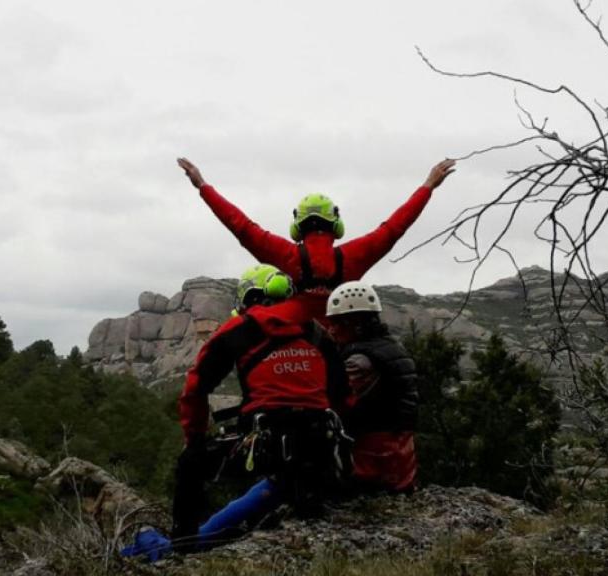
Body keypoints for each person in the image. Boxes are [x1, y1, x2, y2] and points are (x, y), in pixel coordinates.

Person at [171, 263, 350, 550]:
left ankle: (181, 545)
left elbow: (195, 389)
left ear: (248, 297)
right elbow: (342, 392)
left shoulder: (236, 329)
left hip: (265, 445)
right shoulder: (314, 329)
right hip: (321, 445)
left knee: (190, 465)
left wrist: (193, 439)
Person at [177, 157, 457, 323]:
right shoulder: (352, 257)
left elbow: (241, 226)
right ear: (336, 224)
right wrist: (427, 186)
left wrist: (203, 186)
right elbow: (395, 227)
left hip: (297, 352)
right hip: (342, 355)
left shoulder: (286, 256)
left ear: (297, 226)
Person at [325, 280, 418, 492]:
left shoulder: (360, 360)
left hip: (373, 457)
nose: (332, 329)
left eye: (337, 323)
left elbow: (335, 402)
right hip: (401, 455)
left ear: (356, 323)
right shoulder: (391, 347)